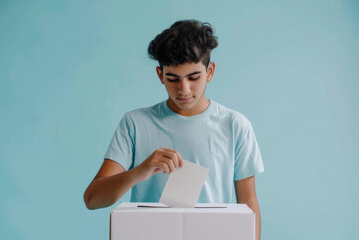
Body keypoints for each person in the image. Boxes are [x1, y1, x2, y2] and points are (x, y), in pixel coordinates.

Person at [84, 19, 264, 240]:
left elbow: (248, 202)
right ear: (160, 75)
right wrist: (141, 170)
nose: (184, 89)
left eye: (193, 77)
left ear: (210, 71)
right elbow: (92, 199)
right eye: (173, 79)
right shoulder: (135, 123)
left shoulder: (235, 125)